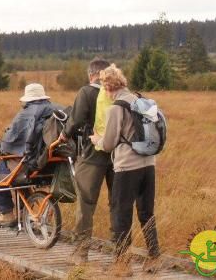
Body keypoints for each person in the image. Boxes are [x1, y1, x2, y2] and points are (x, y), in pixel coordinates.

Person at [90, 64, 161, 276]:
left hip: (127, 167)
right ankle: (154, 257)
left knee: (122, 214)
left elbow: (110, 143)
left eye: (104, 88)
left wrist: (96, 139)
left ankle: (122, 264)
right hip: (149, 164)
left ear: (108, 87)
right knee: (147, 213)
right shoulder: (142, 101)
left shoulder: (116, 108)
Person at [60, 58, 112, 265]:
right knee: (118, 204)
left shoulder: (87, 92)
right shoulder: (118, 92)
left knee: (86, 203)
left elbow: (76, 120)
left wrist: (65, 134)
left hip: (92, 154)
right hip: (118, 156)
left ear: (92, 75)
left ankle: (81, 254)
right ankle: (120, 257)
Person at [0, 83, 55, 227]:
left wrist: (2, 148)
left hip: (29, 164)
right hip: (51, 165)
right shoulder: (57, 110)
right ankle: (24, 211)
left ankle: (7, 214)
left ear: (28, 99)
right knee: (17, 170)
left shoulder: (25, 114)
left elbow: (10, 140)